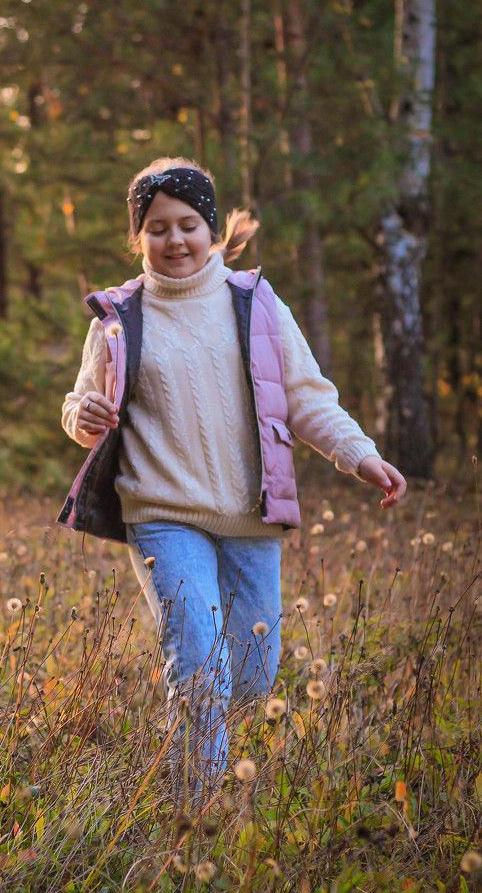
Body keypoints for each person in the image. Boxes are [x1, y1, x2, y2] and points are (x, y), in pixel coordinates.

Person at [57, 156, 406, 807]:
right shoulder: (117, 318)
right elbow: (79, 406)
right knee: (196, 665)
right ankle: (202, 815)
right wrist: (86, 415)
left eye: (187, 224)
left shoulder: (257, 304)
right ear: (139, 237)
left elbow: (307, 399)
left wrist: (361, 455)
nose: (174, 240)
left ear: (212, 229)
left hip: (250, 512)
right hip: (160, 512)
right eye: (157, 227)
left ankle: (222, 766)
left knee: (252, 673)